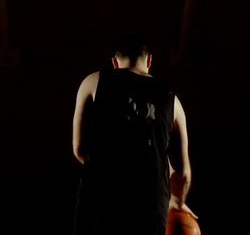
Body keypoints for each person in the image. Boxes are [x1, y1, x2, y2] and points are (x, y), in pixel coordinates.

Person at [71, 32, 197, 235]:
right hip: (150, 202)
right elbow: (183, 174)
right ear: (149, 60)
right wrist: (177, 202)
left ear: (114, 62)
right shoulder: (173, 100)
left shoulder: (92, 81)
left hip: (100, 197)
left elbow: (78, 148)